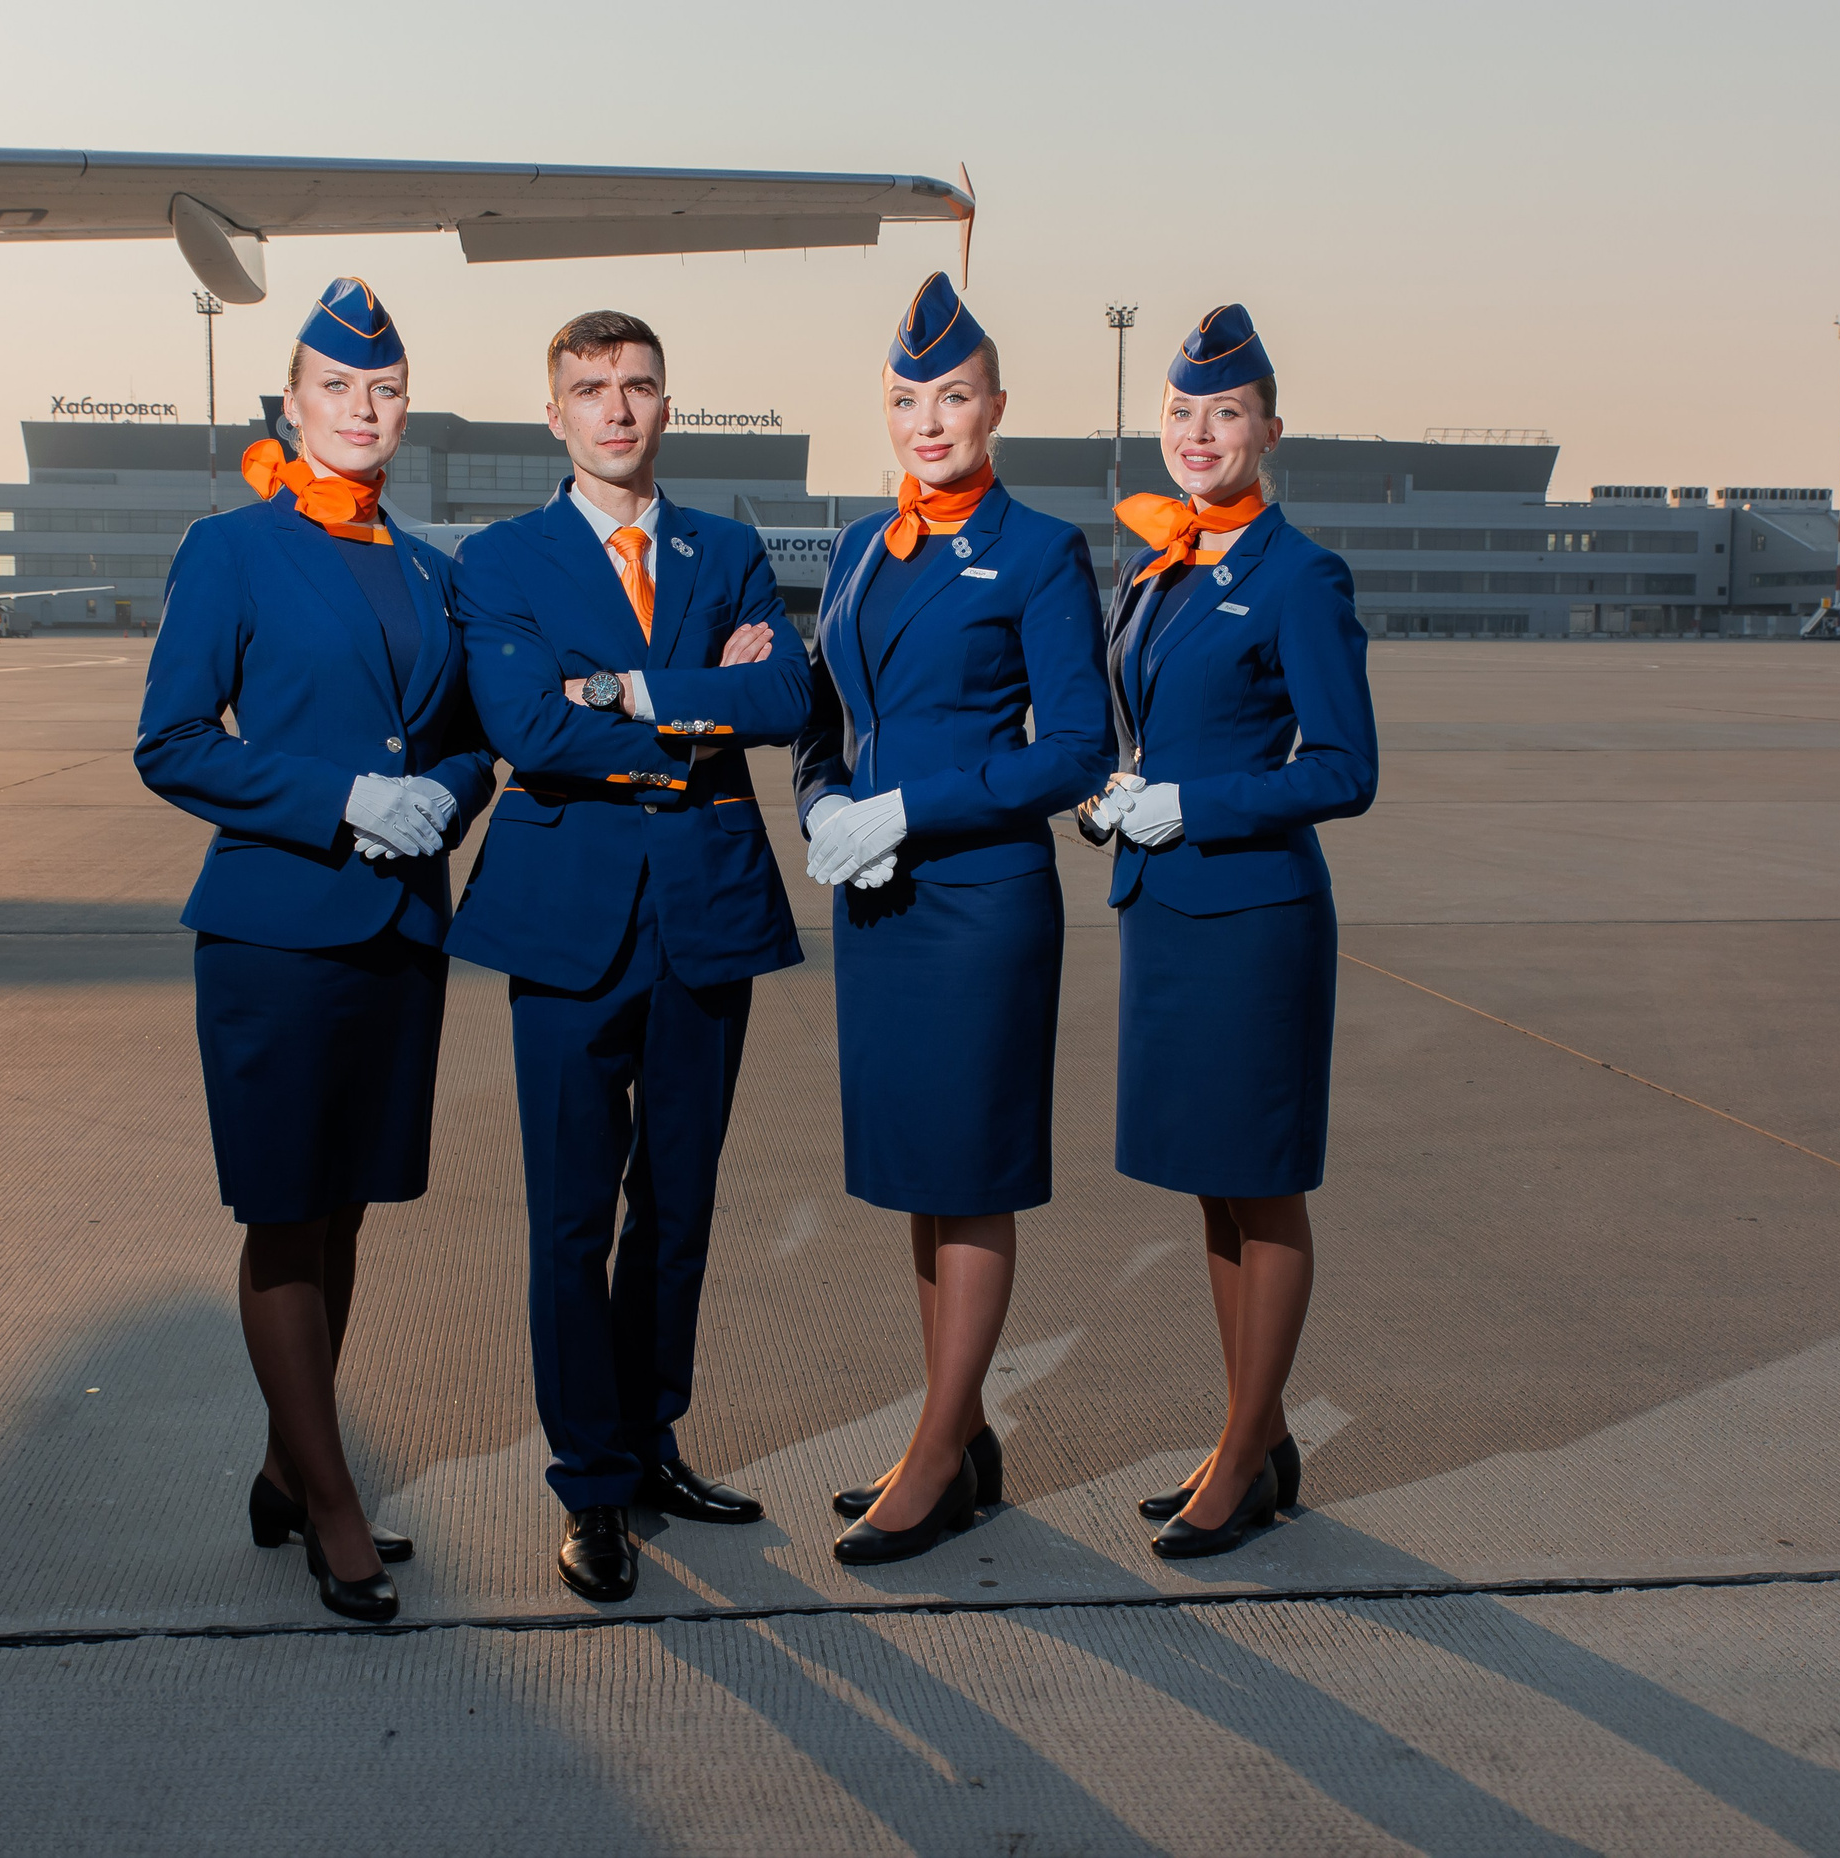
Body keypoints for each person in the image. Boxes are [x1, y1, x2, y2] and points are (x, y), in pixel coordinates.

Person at [135, 277, 496, 1622]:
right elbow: (170, 740)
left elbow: (469, 739)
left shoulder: (432, 571)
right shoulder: (231, 548)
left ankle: (291, 1467)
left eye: (385, 391)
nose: (363, 408)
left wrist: (442, 801)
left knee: (345, 1208)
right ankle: (335, 1500)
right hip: (275, 930)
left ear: (406, 412)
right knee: (287, 1211)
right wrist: (340, 799)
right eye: (338, 389)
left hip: (399, 926)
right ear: (292, 406)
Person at [448, 310, 812, 1604]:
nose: (616, 407)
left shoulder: (728, 547)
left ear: (669, 405)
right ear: (552, 414)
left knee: (680, 1208)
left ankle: (655, 1438)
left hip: (705, 909)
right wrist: (698, 691)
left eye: (639, 386)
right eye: (590, 389)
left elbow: (788, 700)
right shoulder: (500, 559)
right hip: (566, 923)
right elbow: (533, 732)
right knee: (569, 1218)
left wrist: (631, 690)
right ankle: (590, 1484)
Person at [793, 274, 1113, 1565]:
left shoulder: (1039, 549)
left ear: (996, 406)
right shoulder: (866, 545)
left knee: (970, 1179)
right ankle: (957, 1428)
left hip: (976, 901)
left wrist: (906, 808)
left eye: (953, 396)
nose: (930, 421)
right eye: (906, 400)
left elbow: (1078, 748)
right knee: (921, 1177)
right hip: (877, 900)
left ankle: (937, 1457)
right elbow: (822, 711)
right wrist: (821, 804)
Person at [1079, 304, 1378, 1559]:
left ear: (1267, 428)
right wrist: (1124, 791)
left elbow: (1345, 769)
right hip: (1169, 913)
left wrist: (1188, 804)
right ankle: (1247, 1433)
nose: (1200, 434)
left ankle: (1247, 1452)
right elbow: (1156, 722)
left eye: (1226, 414)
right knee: (1212, 1185)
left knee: (1263, 1187)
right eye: (1182, 413)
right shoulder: (1161, 564)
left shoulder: (1297, 574)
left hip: (1254, 918)